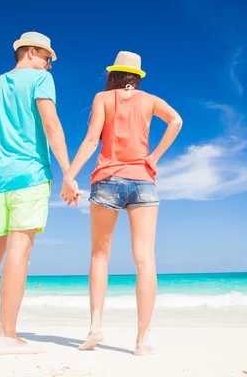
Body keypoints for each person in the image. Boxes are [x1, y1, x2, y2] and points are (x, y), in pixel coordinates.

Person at [60, 51, 183, 355]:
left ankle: (95, 327)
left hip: (107, 180)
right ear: (137, 78)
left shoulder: (103, 98)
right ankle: (142, 340)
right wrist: (153, 157)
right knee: (145, 260)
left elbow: (91, 140)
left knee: (100, 255)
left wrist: (70, 176)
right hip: (143, 181)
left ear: (114, 74)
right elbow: (176, 121)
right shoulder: (150, 100)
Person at [0, 31, 80, 355]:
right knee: (19, 251)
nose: (49, 65)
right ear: (31, 52)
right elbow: (51, 123)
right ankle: (6, 335)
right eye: (47, 58)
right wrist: (68, 173)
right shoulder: (40, 80)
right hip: (28, 175)